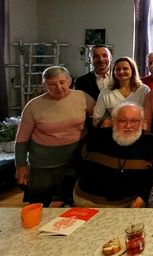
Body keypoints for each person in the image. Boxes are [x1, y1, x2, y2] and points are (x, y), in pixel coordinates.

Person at [15, 66, 95, 206]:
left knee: (73, 203)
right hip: (44, 164)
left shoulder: (82, 97)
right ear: (44, 85)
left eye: (62, 82)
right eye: (52, 84)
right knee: (41, 203)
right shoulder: (33, 106)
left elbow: (100, 116)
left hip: (75, 160)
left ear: (69, 81)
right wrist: (20, 166)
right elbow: (22, 138)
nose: (58, 87)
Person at [75, 102, 153, 207]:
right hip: (85, 202)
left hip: (128, 206)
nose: (128, 126)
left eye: (134, 121)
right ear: (113, 121)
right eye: (122, 121)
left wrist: (145, 196)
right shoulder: (95, 138)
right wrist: (59, 197)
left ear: (142, 122)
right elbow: (74, 168)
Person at [93, 56, 150, 127]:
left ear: (133, 70)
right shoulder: (106, 92)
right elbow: (96, 119)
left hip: (139, 132)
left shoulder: (144, 90)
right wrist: (110, 123)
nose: (121, 71)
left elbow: (149, 117)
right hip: (115, 132)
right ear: (113, 72)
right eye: (117, 69)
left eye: (125, 69)